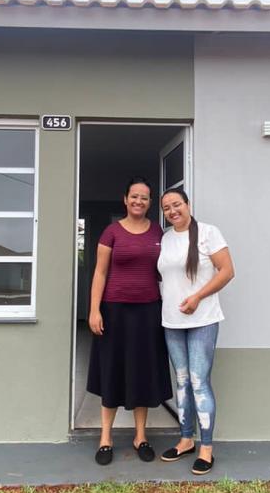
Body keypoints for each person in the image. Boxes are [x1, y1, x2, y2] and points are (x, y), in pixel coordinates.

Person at [87, 176, 172, 466]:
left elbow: (168, 269)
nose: (139, 201)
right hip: (114, 311)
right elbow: (99, 273)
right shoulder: (111, 232)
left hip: (149, 312)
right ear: (125, 199)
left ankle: (140, 437)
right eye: (134, 196)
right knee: (112, 371)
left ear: (150, 203)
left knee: (141, 373)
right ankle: (106, 438)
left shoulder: (158, 232)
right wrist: (94, 310)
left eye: (145, 198)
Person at [157, 188, 234, 475]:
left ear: (188, 205)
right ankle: (186, 439)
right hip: (172, 323)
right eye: (166, 208)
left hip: (202, 320)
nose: (172, 211)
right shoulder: (165, 238)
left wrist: (197, 297)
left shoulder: (208, 233)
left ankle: (206, 448)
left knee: (200, 383)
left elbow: (226, 271)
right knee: (182, 381)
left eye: (176, 204)